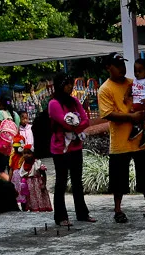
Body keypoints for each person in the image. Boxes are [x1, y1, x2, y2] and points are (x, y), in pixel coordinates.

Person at [97, 54, 145, 223]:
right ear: (108, 68)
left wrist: (144, 112)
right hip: (121, 141)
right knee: (119, 177)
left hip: (141, 137)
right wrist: (131, 117)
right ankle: (118, 210)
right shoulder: (105, 89)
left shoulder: (134, 82)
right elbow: (108, 114)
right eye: (117, 65)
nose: (122, 68)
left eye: (122, 64)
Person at [50, 73, 95, 225]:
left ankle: (82, 213)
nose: (71, 87)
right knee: (61, 182)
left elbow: (85, 121)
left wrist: (75, 126)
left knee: (77, 181)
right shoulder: (54, 104)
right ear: (60, 85)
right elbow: (65, 124)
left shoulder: (75, 102)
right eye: (67, 84)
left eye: (71, 83)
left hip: (76, 147)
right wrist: (75, 126)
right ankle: (61, 217)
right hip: (60, 148)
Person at [128, 58, 145, 147]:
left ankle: (136, 127)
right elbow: (129, 87)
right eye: (135, 71)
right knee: (142, 117)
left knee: (133, 112)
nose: (137, 73)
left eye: (140, 71)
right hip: (139, 103)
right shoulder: (135, 81)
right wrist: (126, 95)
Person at [0, 95, 19, 176]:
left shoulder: (1, 113)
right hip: (13, 145)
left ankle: (3, 184)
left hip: (3, 146)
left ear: (1, 104)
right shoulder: (16, 115)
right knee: (11, 166)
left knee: (1, 168)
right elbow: (18, 131)